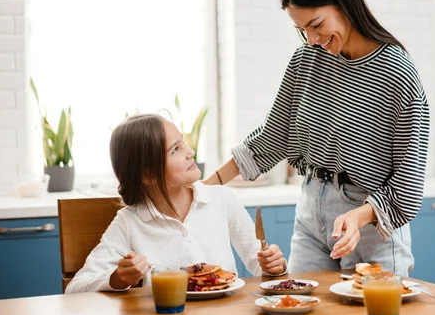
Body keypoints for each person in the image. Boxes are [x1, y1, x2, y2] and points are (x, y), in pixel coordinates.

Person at [205, 0, 429, 276]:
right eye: (301, 30)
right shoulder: (306, 60)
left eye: (316, 25)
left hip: (369, 228)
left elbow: (408, 185)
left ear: (344, 3)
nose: (312, 40)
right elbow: (273, 137)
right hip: (311, 216)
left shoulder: (397, 72)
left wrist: (358, 216)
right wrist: (205, 187)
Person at [66, 114, 286, 293]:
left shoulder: (221, 199)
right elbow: (76, 288)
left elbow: (260, 264)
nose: (190, 152)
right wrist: (117, 279)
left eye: (184, 143)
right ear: (149, 175)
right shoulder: (130, 222)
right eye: (176, 150)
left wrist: (274, 266)